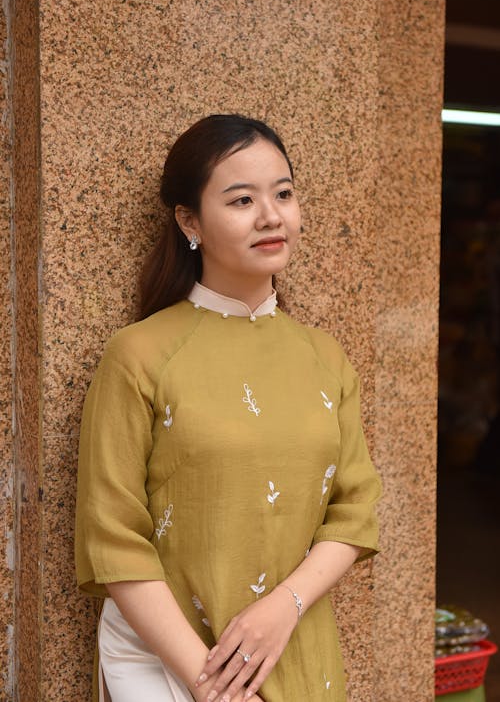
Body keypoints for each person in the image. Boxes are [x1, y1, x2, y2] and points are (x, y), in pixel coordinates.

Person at [75, 114, 382, 702]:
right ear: (189, 221)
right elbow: (113, 540)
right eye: (242, 200)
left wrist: (284, 608)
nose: (272, 216)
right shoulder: (138, 354)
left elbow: (355, 509)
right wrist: (215, 684)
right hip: (169, 662)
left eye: (284, 194)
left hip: (296, 650)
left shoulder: (325, 358)